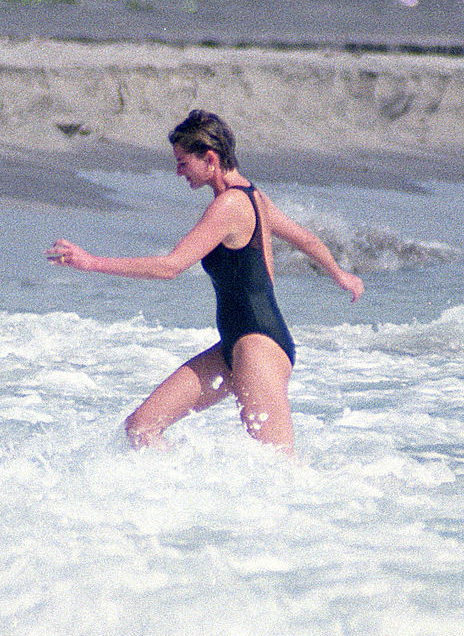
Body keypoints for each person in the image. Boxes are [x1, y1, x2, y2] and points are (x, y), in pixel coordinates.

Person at [45, 110, 363, 455]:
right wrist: (340, 274)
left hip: (259, 345)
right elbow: (307, 240)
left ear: (210, 158)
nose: (178, 171)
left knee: (278, 467)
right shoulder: (253, 196)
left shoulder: (231, 204)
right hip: (234, 345)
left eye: (183, 162)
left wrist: (92, 262)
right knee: (141, 427)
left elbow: (170, 266)